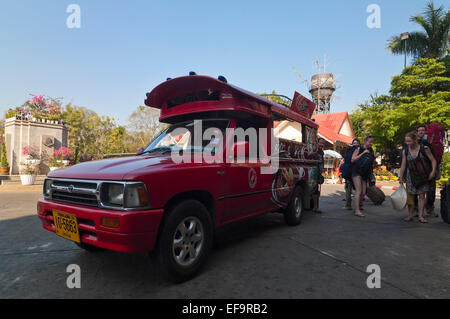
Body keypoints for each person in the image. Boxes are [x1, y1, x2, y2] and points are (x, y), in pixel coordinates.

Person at [399, 131, 437, 223]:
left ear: (415, 140)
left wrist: (432, 172)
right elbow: (403, 164)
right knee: (410, 196)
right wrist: (401, 176)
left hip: (423, 175)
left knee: (421, 196)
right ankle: (410, 215)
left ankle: (420, 216)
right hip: (410, 176)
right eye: (406, 141)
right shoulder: (406, 151)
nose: (407, 144)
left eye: (409, 141)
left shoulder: (425, 149)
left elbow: (433, 160)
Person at [351, 135, 375, 217]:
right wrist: (363, 153)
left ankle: (359, 205)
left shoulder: (371, 150)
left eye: (372, 142)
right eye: (369, 142)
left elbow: (371, 162)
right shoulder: (359, 148)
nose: (371, 143)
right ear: (365, 141)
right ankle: (357, 210)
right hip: (356, 171)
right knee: (359, 190)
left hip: (365, 173)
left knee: (363, 192)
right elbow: (352, 159)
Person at [342, 138, 361, 210]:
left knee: (351, 189)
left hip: (353, 173)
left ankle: (350, 205)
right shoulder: (356, 150)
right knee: (353, 189)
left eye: (356, 143)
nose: (355, 145)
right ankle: (357, 205)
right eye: (354, 143)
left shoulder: (350, 151)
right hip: (352, 173)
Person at [312, 138, 325, 214]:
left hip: (318, 173)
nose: (321, 145)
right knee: (315, 191)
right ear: (317, 142)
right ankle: (315, 207)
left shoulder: (322, 152)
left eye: (323, 143)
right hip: (313, 172)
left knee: (316, 191)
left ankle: (316, 207)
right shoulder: (314, 150)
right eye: (320, 143)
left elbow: (321, 163)